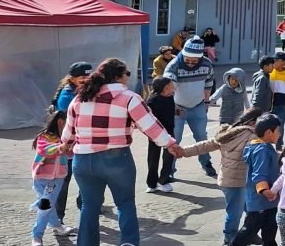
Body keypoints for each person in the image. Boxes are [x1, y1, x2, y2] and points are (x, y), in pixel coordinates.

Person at [61, 58, 182, 246]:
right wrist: (171, 145)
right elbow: (150, 126)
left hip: (83, 160)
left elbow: (68, 133)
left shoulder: (80, 97)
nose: (128, 78)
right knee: (125, 203)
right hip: (116, 159)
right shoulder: (129, 98)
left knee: (89, 206)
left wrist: (65, 144)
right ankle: (128, 242)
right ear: (118, 76)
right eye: (127, 74)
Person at [178, 108, 264, 246]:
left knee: (250, 209)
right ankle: (230, 239)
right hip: (237, 181)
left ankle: (249, 234)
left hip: (228, 179)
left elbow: (205, 145)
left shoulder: (229, 132)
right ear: (254, 123)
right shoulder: (252, 136)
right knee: (235, 212)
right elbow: (261, 155)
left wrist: (183, 151)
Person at [163, 35, 219, 178]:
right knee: (175, 139)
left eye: (194, 61)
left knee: (202, 137)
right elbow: (167, 90)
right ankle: (170, 169)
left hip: (198, 106)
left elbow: (208, 83)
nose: (190, 63)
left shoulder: (206, 64)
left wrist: (206, 102)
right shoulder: (174, 66)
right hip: (177, 108)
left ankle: (206, 163)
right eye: (187, 59)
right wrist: (173, 107)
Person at [232, 113, 282, 246]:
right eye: (278, 131)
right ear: (268, 132)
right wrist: (264, 189)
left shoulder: (260, 147)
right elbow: (259, 173)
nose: (280, 134)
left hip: (269, 201)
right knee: (249, 230)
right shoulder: (262, 150)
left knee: (270, 231)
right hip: (261, 200)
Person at [52, 61, 91, 223]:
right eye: (83, 77)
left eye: (89, 76)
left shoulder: (83, 90)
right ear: (73, 79)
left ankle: (85, 207)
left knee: (88, 177)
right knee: (64, 182)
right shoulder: (67, 96)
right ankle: (58, 217)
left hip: (82, 144)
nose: (87, 79)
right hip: (67, 146)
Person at [31, 111, 77, 245]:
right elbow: (43, 150)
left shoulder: (66, 138)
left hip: (57, 178)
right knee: (47, 205)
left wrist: (71, 147)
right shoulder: (44, 137)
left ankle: (38, 234)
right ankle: (52, 229)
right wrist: (60, 147)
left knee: (46, 205)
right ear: (61, 122)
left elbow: (70, 153)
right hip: (40, 176)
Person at [144, 77, 177, 194]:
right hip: (155, 133)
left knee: (169, 156)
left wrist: (177, 111)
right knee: (153, 158)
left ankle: (163, 180)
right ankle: (151, 183)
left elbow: (169, 111)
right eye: (171, 84)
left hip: (169, 131)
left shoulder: (170, 97)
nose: (174, 86)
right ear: (165, 87)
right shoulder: (152, 101)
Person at [269, 52, 285, 148]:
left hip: (281, 102)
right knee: (269, 124)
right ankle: (269, 143)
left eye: (277, 60)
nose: (274, 62)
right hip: (270, 101)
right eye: (274, 60)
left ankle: (279, 143)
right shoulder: (270, 70)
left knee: (280, 123)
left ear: (284, 62)